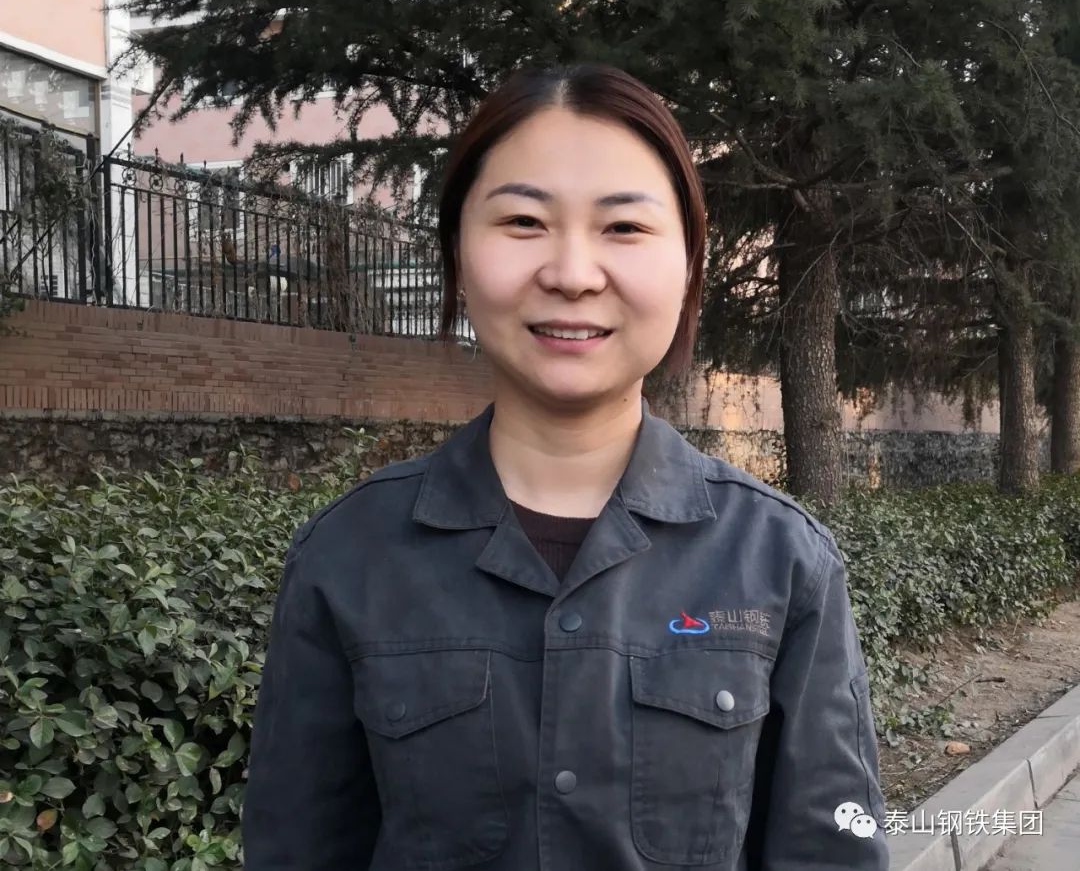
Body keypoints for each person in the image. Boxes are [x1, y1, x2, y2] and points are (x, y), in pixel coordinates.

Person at [242, 63, 889, 870]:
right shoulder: (348, 555)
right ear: (457, 256)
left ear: (690, 264)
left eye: (623, 227)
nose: (573, 274)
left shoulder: (782, 561)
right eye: (523, 221)